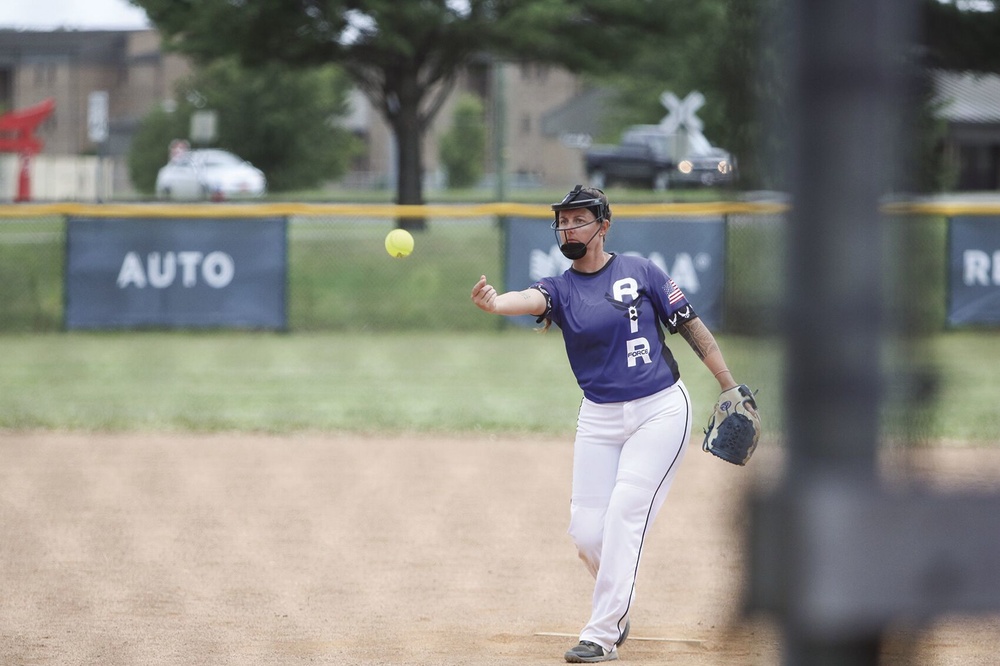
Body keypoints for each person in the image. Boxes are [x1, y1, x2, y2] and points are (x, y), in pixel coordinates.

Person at [471, 185, 745, 663]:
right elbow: (529, 299)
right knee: (586, 534)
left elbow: (692, 326)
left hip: (660, 409)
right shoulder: (560, 288)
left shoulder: (641, 271)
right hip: (598, 416)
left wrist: (728, 384)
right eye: (563, 221)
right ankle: (617, 605)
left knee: (623, 515)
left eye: (579, 220)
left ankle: (601, 634)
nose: (569, 229)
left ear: (604, 225)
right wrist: (496, 304)